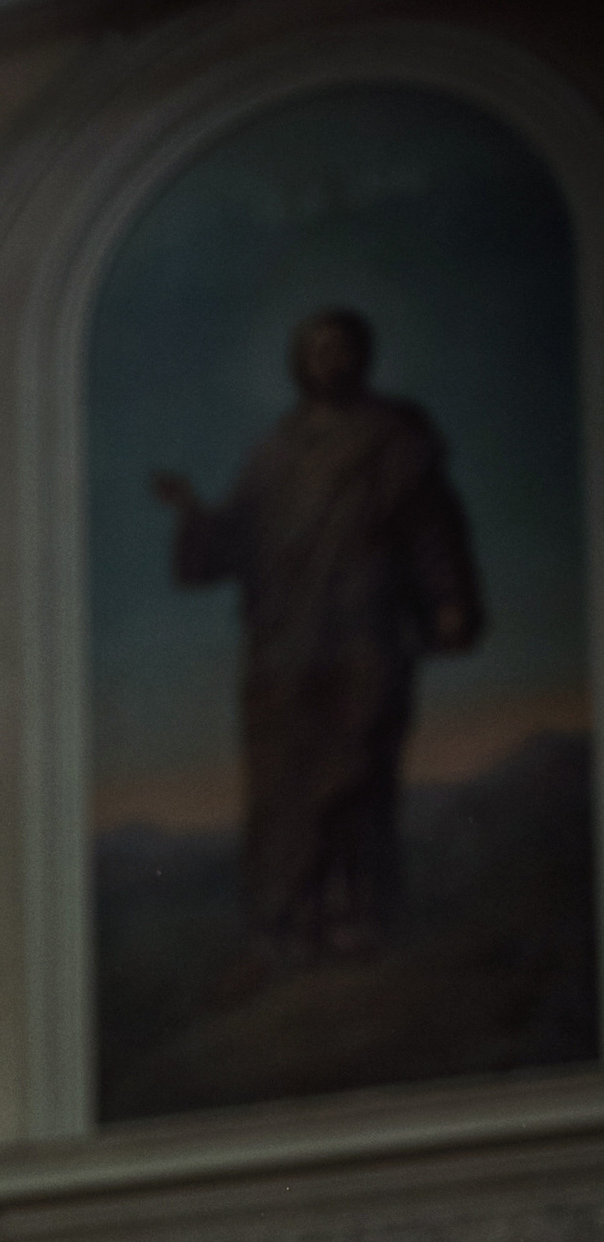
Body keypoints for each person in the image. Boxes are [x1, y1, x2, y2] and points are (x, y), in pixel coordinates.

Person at [152, 307, 483, 966]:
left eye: (340, 347)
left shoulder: (393, 438)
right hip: (283, 649)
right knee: (282, 792)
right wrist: (191, 513)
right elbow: (225, 550)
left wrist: (447, 600)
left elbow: (429, 528)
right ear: (299, 364)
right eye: (316, 349)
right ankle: (284, 928)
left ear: (361, 355)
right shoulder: (272, 456)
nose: (328, 359)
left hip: (363, 633)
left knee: (357, 775)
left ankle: (358, 918)